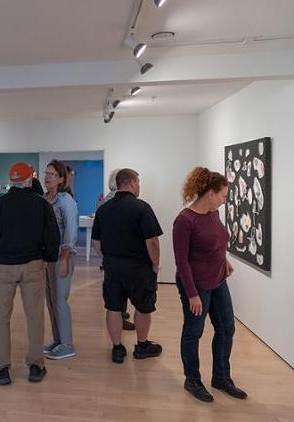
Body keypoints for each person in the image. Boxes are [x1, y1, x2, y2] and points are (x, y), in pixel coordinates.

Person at [173, 167, 247, 402]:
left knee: (227, 328)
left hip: (218, 280)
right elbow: (181, 261)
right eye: (223, 195)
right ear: (210, 194)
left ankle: (221, 377)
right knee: (194, 332)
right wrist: (192, 294)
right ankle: (192, 379)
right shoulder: (185, 220)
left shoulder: (213, 213)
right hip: (196, 285)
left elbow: (215, 240)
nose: (225, 200)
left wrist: (223, 260)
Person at [0, 162, 60, 385]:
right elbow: (52, 237)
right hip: (33, 265)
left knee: (1, 317)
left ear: (12, 180)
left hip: (4, 266)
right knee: (35, 316)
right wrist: (47, 258)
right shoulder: (41, 204)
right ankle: (36, 366)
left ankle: (1, 368)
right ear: (29, 179)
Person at [91, 168, 163, 364]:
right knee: (143, 307)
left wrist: (107, 258)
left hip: (113, 267)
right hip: (139, 268)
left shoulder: (103, 209)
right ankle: (142, 346)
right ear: (131, 183)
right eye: (138, 182)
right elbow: (152, 242)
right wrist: (155, 264)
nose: (139, 186)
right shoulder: (142, 208)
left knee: (113, 308)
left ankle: (117, 348)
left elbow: (96, 242)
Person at [42, 160, 79, 360]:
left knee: (60, 300)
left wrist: (64, 258)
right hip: (47, 259)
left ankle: (67, 344)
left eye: (52, 174)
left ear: (61, 179)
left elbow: (71, 233)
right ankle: (57, 340)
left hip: (61, 258)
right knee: (50, 300)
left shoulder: (66, 201)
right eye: (46, 173)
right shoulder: (45, 199)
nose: (47, 177)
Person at [97, 169, 135, 331]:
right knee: (120, 288)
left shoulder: (106, 200)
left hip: (110, 252)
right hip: (121, 252)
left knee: (114, 288)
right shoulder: (118, 201)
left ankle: (120, 313)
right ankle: (120, 314)